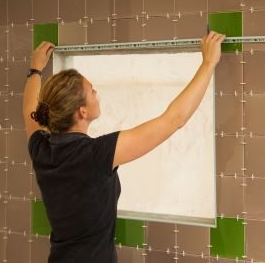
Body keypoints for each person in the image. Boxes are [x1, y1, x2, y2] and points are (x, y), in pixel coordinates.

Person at [23, 31, 226, 263]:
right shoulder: (95, 155)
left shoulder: (41, 148)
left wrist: (35, 69)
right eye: (92, 91)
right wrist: (208, 63)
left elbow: (30, 108)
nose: (96, 93)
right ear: (83, 112)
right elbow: (173, 120)